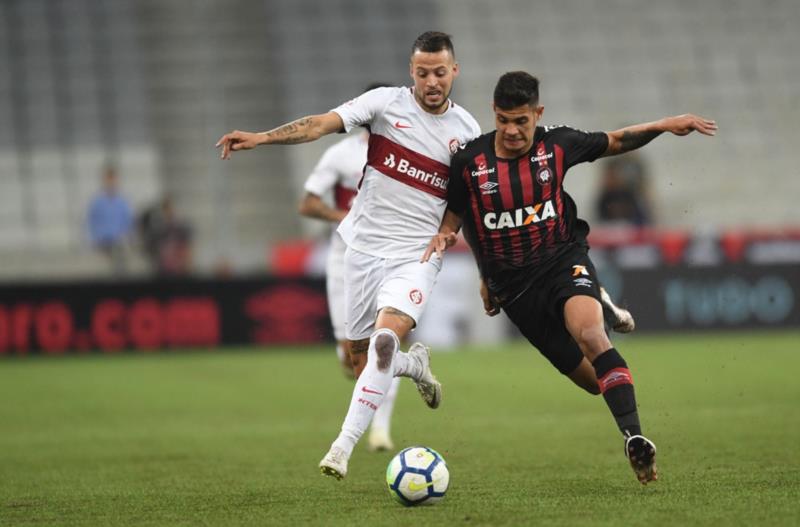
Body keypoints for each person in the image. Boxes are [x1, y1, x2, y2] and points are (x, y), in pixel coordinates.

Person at [422, 71, 717, 485]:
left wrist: (664, 125)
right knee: (594, 382)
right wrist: (473, 264)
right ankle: (603, 299)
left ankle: (634, 437)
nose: (511, 130)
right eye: (504, 119)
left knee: (594, 337)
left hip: (562, 261)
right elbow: (461, 214)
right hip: (515, 289)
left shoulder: (557, 144)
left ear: (537, 114)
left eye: (521, 121)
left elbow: (615, 141)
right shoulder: (469, 161)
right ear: (494, 113)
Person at [216, 31, 482, 480]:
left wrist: (455, 237)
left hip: (415, 256)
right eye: (422, 73)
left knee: (382, 342)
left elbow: (465, 198)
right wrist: (261, 138)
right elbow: (318, 124)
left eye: (440, 72)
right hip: (360, 248)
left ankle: (341, 447)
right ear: (410, 71)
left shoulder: (468, 132)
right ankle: (412, 366)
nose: (431, 82)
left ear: (454, 71)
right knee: (359, 362)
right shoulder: (384, 103)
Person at [297, 82, 401, 452]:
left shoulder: (409, 151)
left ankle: (380, 430)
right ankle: (408, 369)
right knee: (351, 356)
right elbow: (307, 204)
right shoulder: (341, 155)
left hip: (390, 256)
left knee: (384, 341)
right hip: (345, 259)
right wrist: (343, 215)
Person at [87, 166, 133, 275]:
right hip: (103, 241)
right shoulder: (97, 202)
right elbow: (91, 223)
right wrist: (95, 240)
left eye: (113, 179)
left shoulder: (123, 202)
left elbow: (128, 223)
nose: (111, 182)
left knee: (120, 253)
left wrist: (126, 238)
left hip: (118, 242)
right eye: (108, 179)